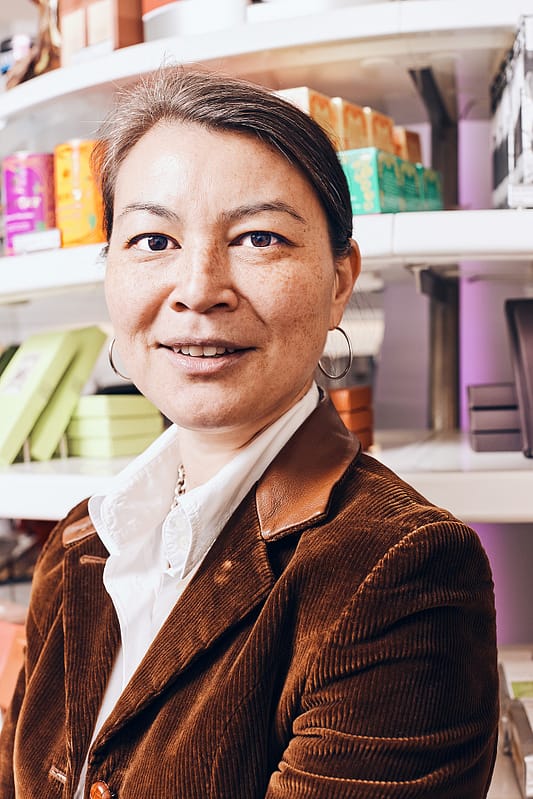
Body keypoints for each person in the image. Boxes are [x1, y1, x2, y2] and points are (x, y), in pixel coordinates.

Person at [0, 66, 498, 799]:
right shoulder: (82, 541)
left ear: (339, 279)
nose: (199, 289)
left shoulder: (401, 571)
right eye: (152, 239)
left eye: (258, 237)